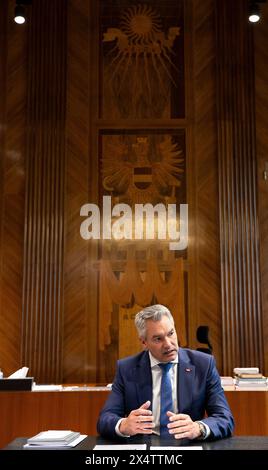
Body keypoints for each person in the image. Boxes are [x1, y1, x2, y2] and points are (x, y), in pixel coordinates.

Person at [97, 304, 234, 440]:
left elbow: (224, 418)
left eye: (171, 333)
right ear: (144, 342)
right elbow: (105, 419)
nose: (168, 344)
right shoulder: (127, 368)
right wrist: (123, 425)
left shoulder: (203, 364)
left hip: (188, 445)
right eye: (158, 339)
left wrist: (198, 428)